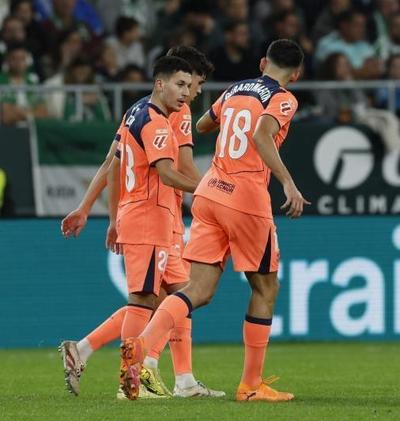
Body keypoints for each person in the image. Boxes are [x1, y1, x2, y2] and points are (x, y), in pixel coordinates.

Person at [119, 39, 309, 402]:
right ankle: (250, 386)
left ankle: (142, 346)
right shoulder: (283, 98)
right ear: (296, 74)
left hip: (210, 193)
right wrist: (287, 181)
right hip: (246, 198)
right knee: (266, 289)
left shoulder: (235, 89)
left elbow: (204, 124)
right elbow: (261, 134)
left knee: (197, 291)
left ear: (262, 62)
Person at [59, 50, 222, 399]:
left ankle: (178, 378)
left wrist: (99, 211)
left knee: (178, 297)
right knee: (148, 300)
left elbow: (113, 163)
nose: (191, 92)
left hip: (152, 213)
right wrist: (216, 191)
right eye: (188, 83)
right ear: (164, 83)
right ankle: (132, 376)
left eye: (192, 85)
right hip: (154, 214)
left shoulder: (137, 110)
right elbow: (174, 170)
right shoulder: (168, 116)